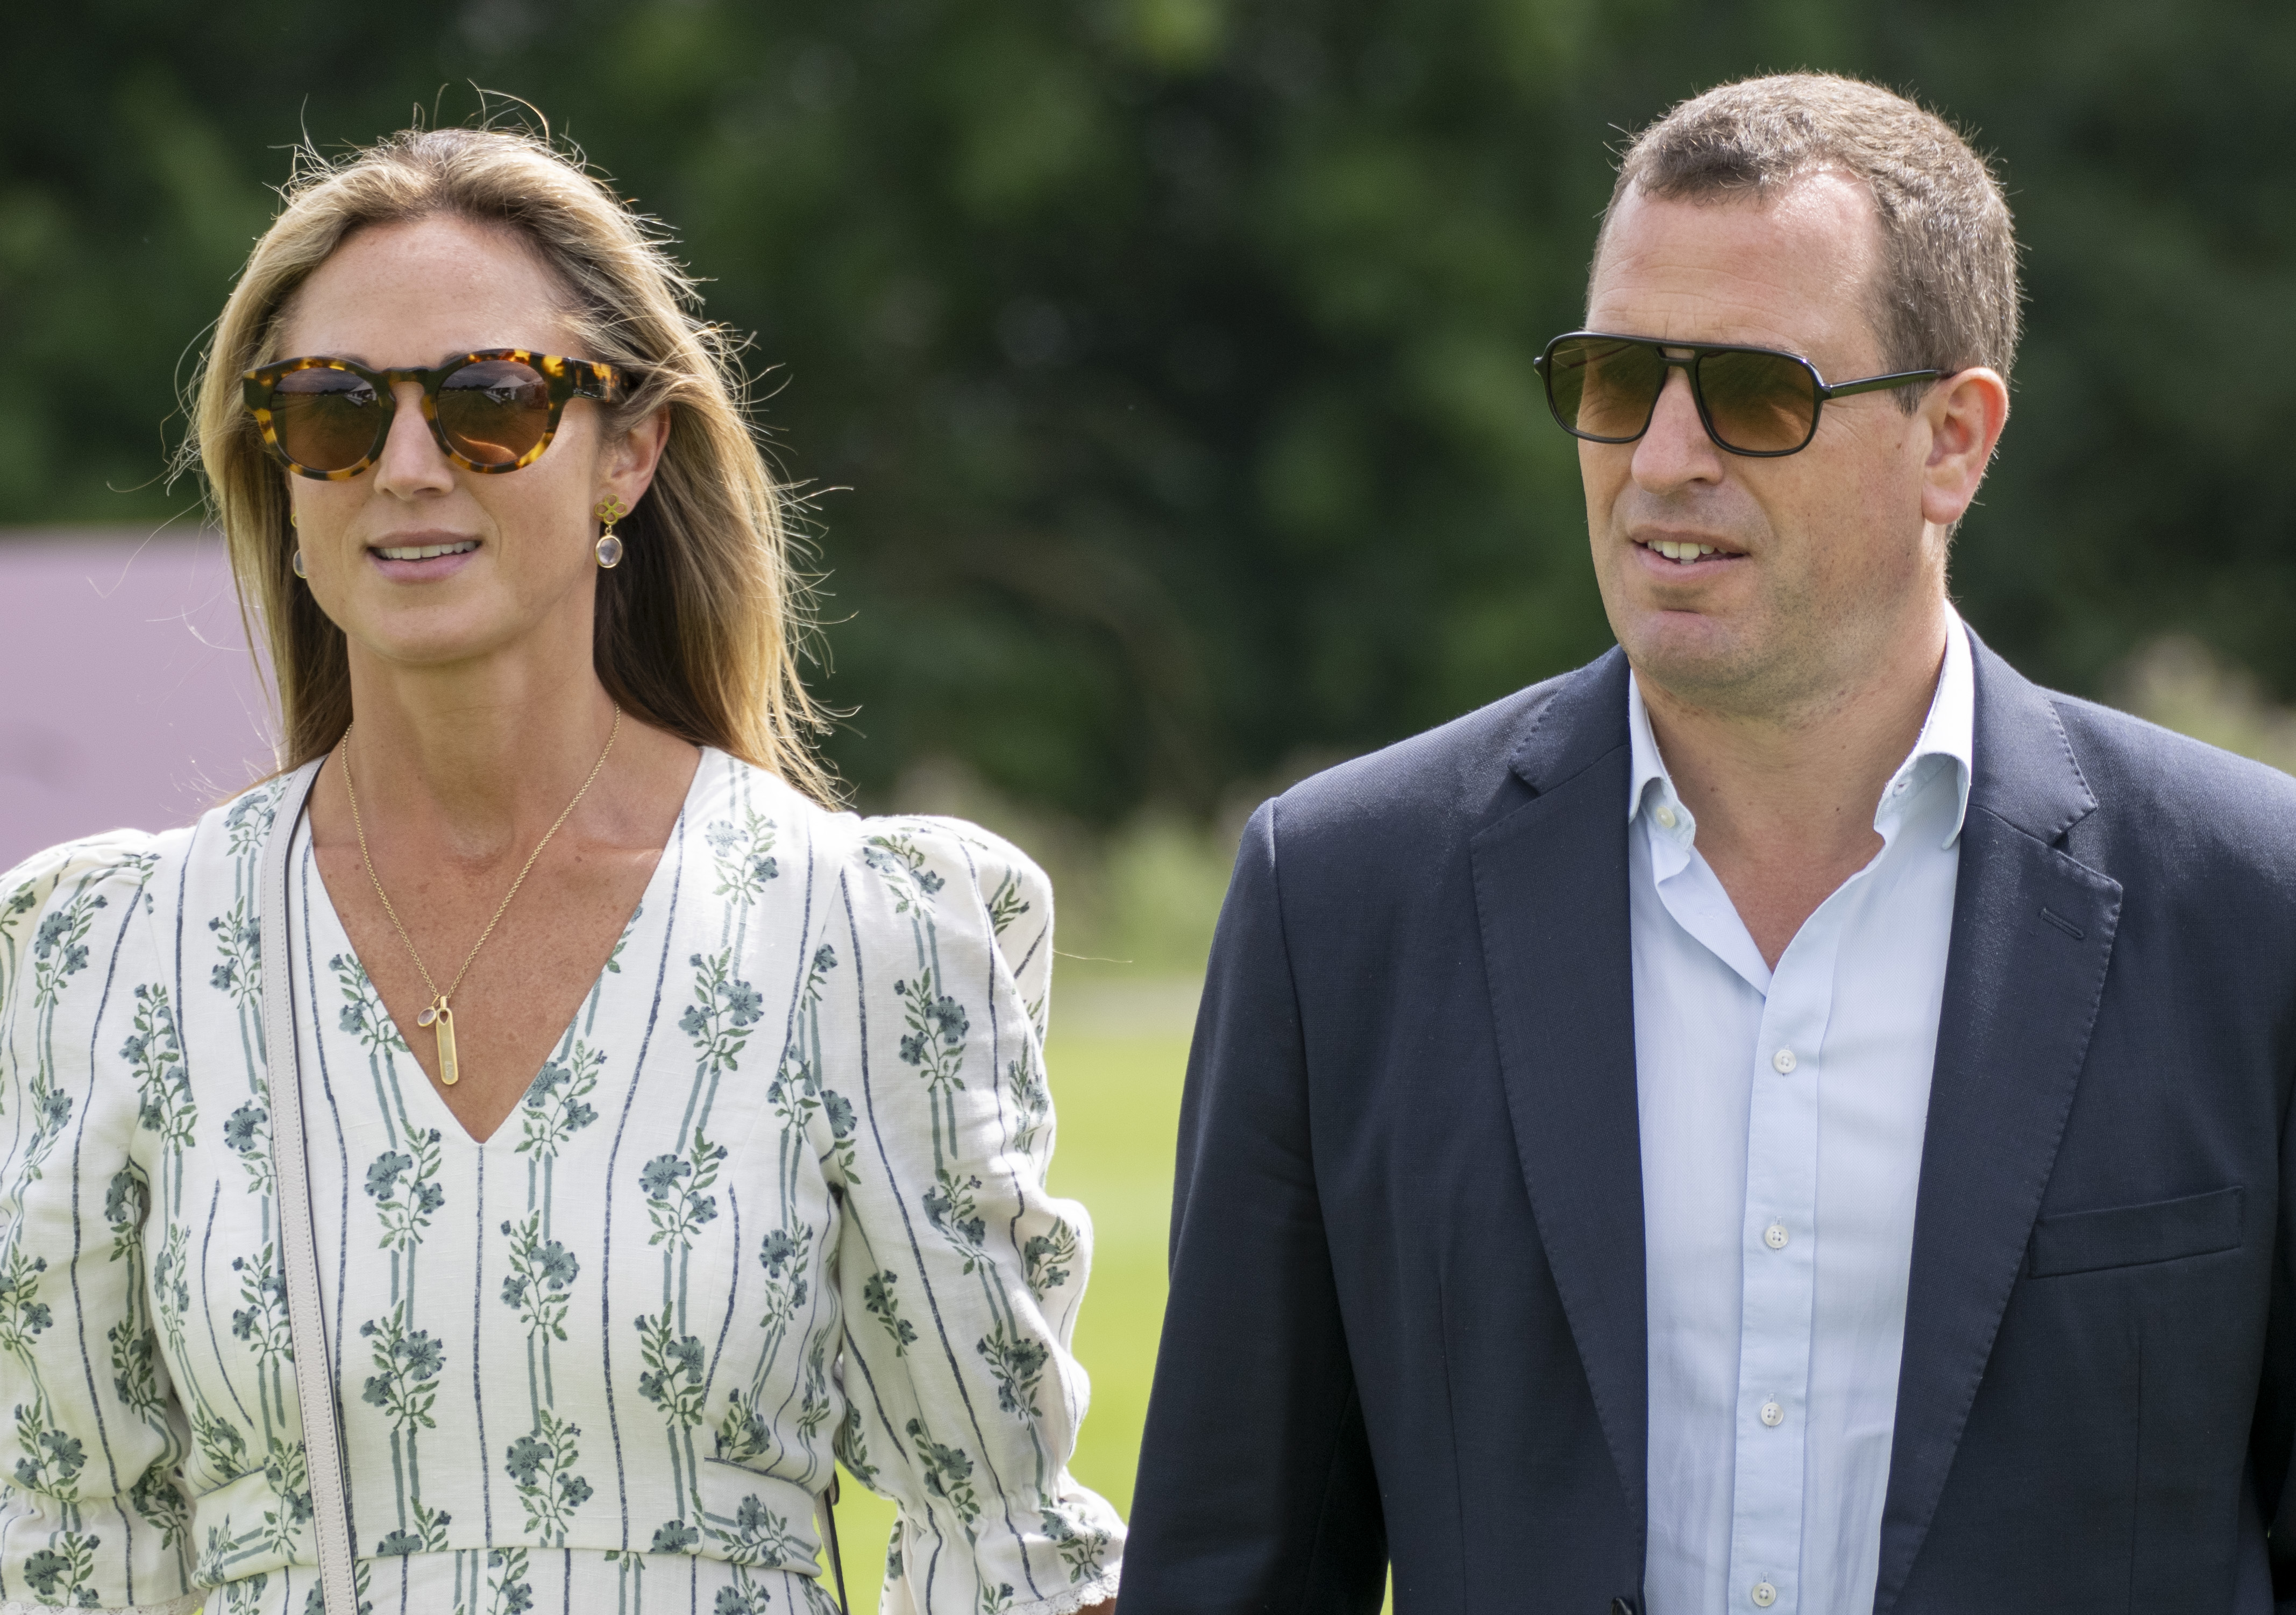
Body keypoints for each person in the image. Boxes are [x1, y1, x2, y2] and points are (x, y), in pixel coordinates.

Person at [1122, 72, 2296, 1614]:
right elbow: (1235, 1570)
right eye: (1617, 381)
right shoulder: (1334, 900)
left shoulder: (2256, 910)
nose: (1663, 457)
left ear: (1954, 438)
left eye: (1754, 393)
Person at [0, 125, 1121, 1615]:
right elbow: (70, 1560)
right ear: (279, 465)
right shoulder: (117, 955)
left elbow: (1007, 1555)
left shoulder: (859, 935)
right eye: (333, 414)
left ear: (630, 450)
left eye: (489, 403)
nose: (404, 467)